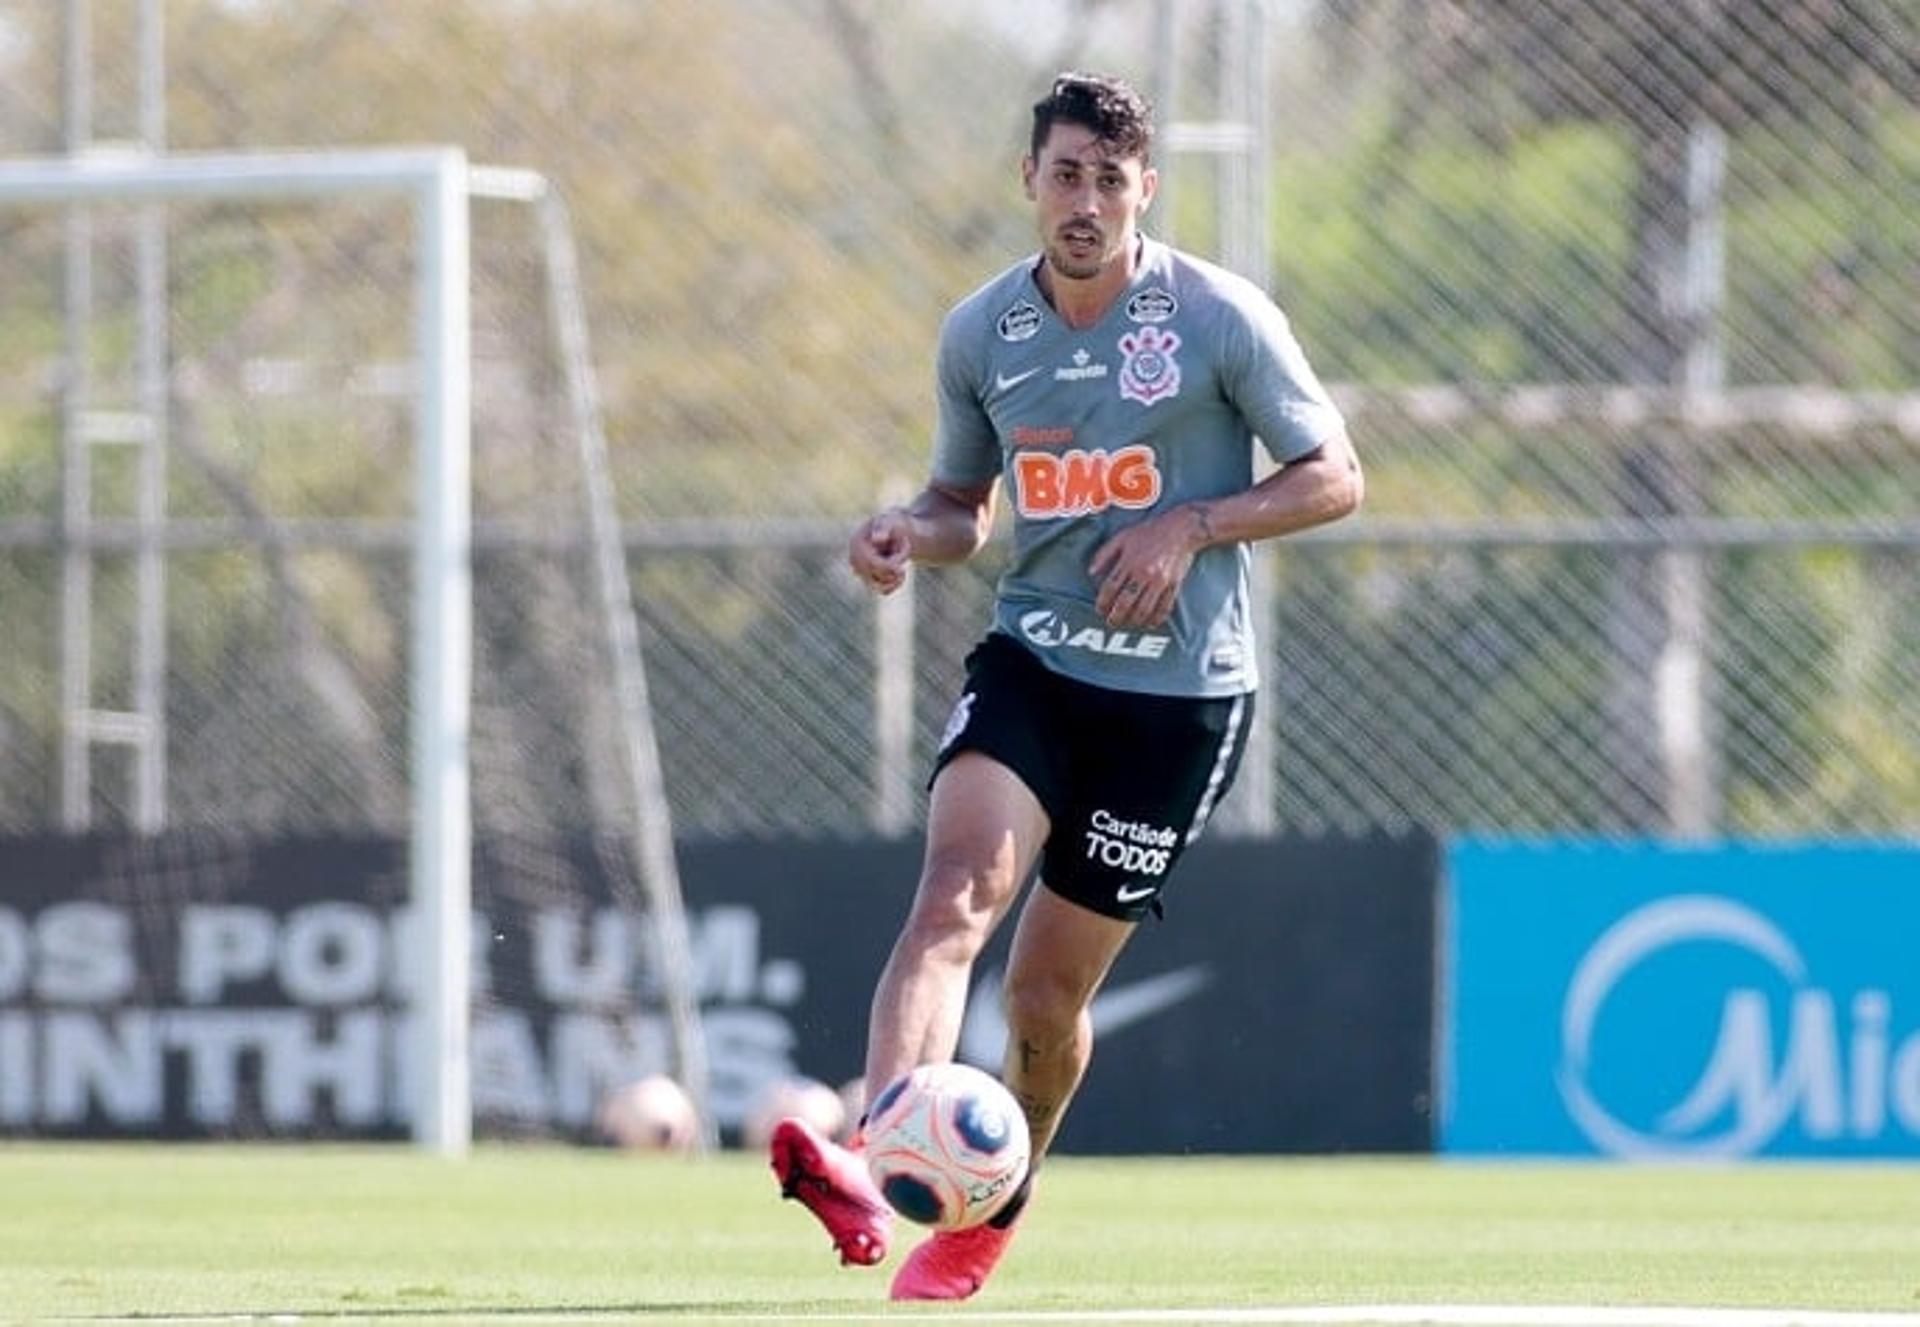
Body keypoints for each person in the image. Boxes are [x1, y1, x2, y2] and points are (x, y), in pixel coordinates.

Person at [769, 70, 1363, 1302]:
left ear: (1146, 188)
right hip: (1036, 659)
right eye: (1065, 173)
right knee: (952, 898)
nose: (1085, 199)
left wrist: (1191, 525)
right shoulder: (983, 331)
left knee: (1043, 1001)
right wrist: (902, 532)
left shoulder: (1217, 317)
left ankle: (990, 1210)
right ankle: (876, 1162)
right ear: (1029, 181)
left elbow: (1334, 476)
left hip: (1180, 701)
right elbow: (961, 509)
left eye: (1110, 178)